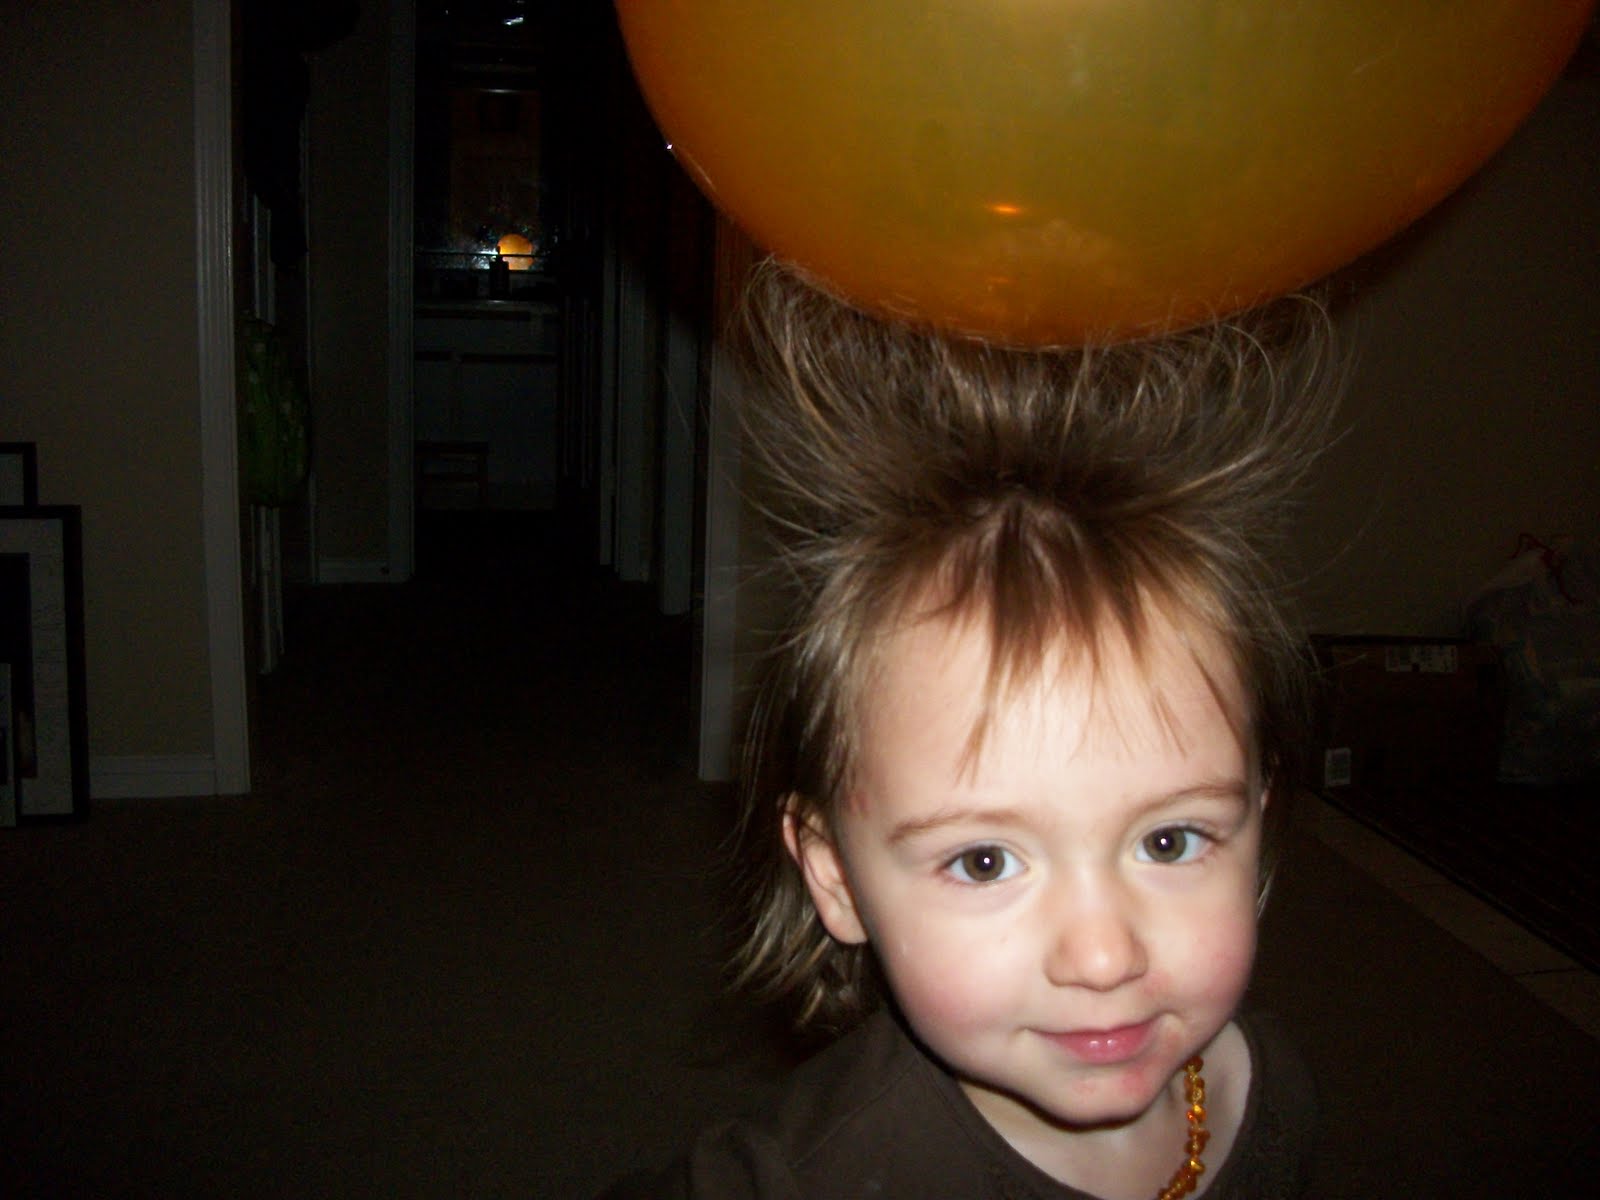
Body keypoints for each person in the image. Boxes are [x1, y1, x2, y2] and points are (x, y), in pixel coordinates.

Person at [606, 267, 1336, 1199]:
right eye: (985, 860)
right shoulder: (804, 1177)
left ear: (1258, 819)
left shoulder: (1275, 1097)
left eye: (1170, 839)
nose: (1105, 956)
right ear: (836, 878)